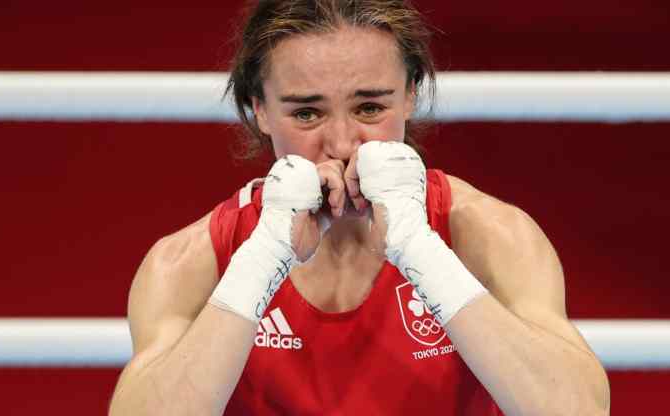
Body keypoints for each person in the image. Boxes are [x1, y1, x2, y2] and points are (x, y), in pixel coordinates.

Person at [109, 1, 610, 415]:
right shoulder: (191, 262)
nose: (342, 143)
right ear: (259, 109)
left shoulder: (487, 234)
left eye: (370, 108)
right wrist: (260, 259)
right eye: (306, 112)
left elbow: (579, 410)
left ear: (412, 95)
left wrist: (421, 250)